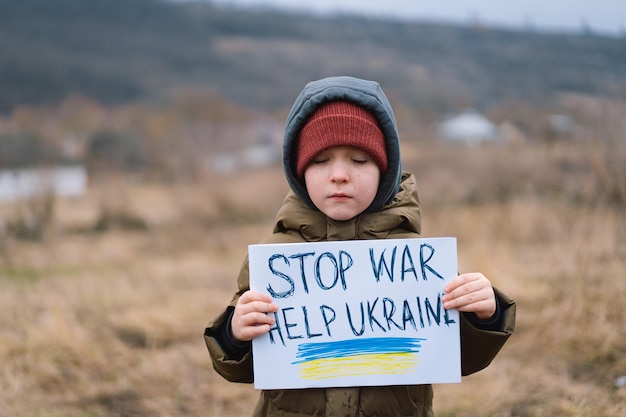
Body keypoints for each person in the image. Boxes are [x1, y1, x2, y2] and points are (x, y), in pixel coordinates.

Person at [204, 75, 516, 417]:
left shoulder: (416, 260)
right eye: (321, 160)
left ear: (385, 169)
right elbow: (240, 367)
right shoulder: (275, 261)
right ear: (298, 170)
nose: (339, 174)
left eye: (359, 160)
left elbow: (460, 357)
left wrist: (486, 315)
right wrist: (235, 335)